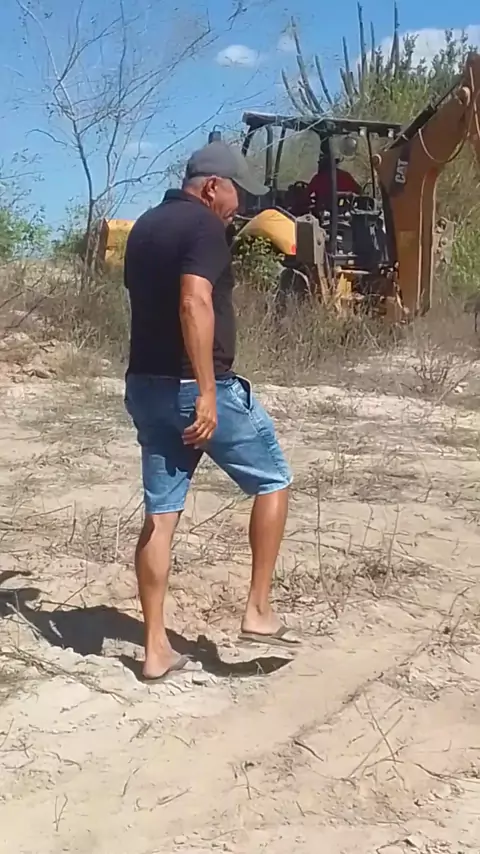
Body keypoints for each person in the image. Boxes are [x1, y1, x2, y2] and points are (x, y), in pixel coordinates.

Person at [124, 140, 299, 682]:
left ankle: (156, 649)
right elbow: (193, 301)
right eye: (236, 193)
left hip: (145, 387)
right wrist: (204, 388)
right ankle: (258, 610)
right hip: (195, 388)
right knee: (273, 481)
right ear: (211, 187)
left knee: (161, 515)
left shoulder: (145, 227)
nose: (238, 206)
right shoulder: (203, 227)